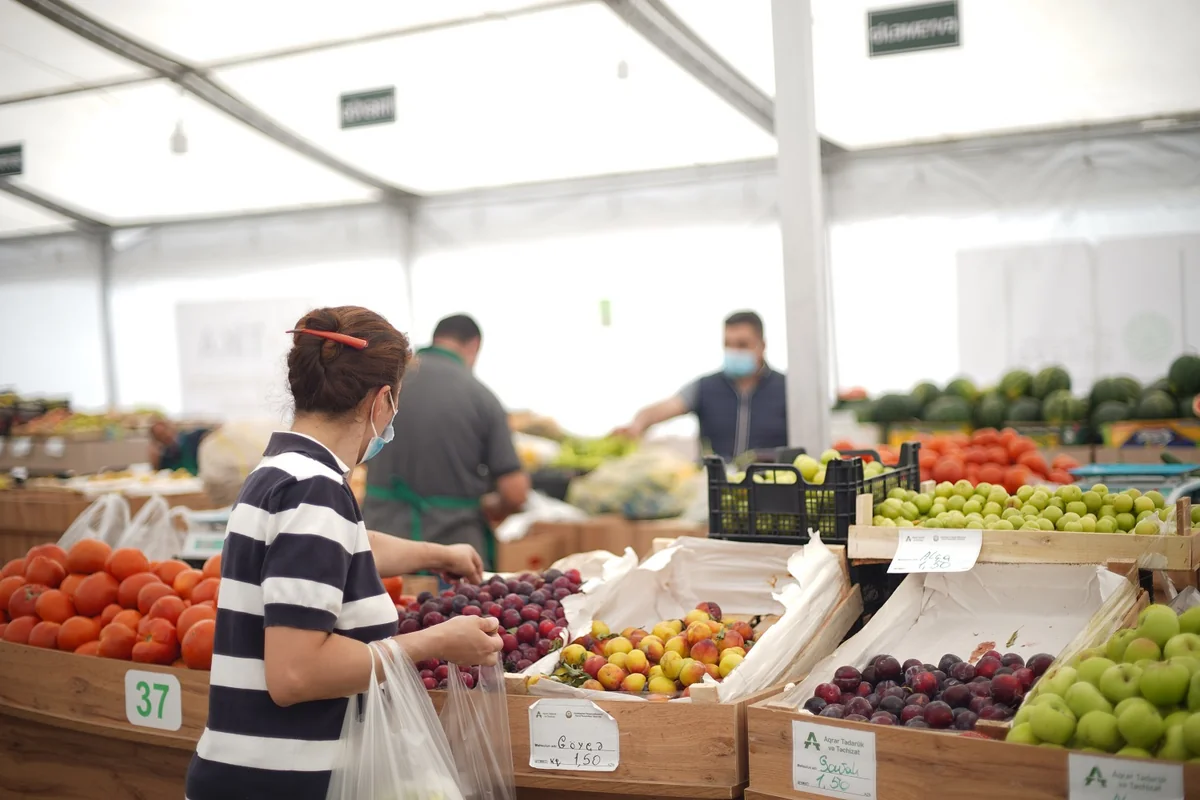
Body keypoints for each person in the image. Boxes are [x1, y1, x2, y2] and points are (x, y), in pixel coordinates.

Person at [185, 306, 504, 800]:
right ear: (381, 401)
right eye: (395, 404)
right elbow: (295, 674)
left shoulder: (280, 473)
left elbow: (346, 550)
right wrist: (436, 641)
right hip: (281, 784)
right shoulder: (314, 490)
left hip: (247, 774)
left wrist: (438, 553)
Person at [362, 313, 529, 570]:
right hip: (452, 553)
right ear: (474, 345)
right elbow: (515, 492)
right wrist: (491, 507)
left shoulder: (384, 385)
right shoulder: (481, 397)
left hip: (380, 550)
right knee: (453, 610)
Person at [616, 310, 787, 461]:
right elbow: (666, 407)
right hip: (715, 486)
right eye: (728, 344)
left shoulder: (786, 388)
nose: (734, 351)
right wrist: (637, 425)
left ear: (762, 346)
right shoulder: (705, 387)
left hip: (768, 486)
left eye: (742, 344)